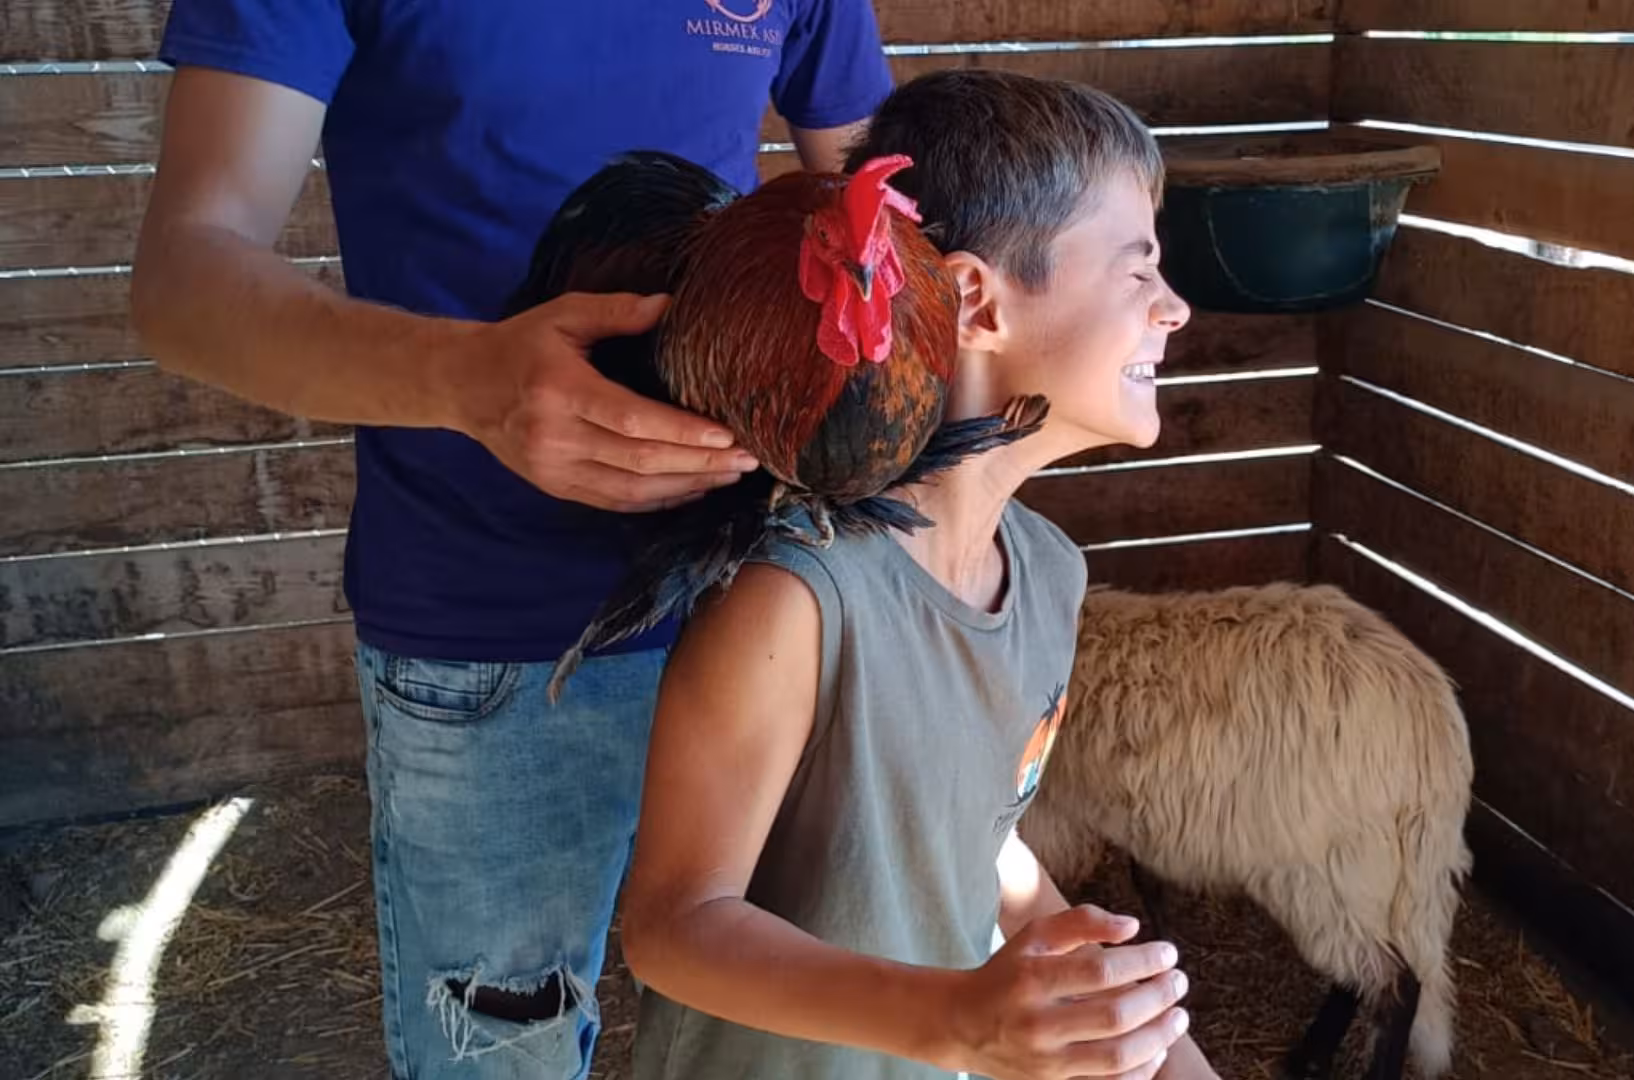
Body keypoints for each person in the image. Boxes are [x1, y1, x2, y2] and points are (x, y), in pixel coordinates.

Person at [128, 2, 893, 1076]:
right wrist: (471, 382)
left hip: (763, 598)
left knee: (802, 1047)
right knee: (503, 1055)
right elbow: (184, 280)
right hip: (491, 630)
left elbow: (889, 213)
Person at [617, 69, 1218, 1080]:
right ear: (978, 302)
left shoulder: (1046, 574)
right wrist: (956, 1023)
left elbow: (968, 838)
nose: (1176, 308)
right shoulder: (799, 597)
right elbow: (674, 923)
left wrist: (1143, 1037)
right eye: (1137, 269)